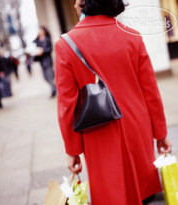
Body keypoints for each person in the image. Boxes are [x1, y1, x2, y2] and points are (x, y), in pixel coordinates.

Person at [55, 0, 172, 205]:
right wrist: (160, 134)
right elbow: (150, 92)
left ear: (84, 2)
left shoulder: (66, 44)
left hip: (98, 134)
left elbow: (67, 106)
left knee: (112, 194)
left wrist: (73, 151)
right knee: (144, 192)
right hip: (138, 128)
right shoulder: (132, 36)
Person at [34, 26, 56, 98]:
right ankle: (54, 86)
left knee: (49, 76)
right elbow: (36, 49)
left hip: (48, 60)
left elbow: (50, 49)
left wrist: (43, 51)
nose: (40, 31)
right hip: (41, 61)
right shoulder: (37, 40)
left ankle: (53, 90)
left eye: (41, 30)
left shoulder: (47, 39)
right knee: (45, 77)